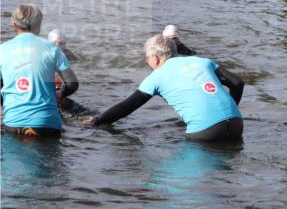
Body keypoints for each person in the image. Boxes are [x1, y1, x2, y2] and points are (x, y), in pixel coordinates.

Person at [90, 34, 244, 142]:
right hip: (237, 124)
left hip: (205, 132)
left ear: (155, 58)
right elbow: (237, 83)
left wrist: (96, 121)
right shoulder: (202, 61)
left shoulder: (157, 77)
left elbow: (127, 107)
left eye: (147, 58)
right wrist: (229, 112)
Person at [0, 4, 79, 136]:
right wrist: (61, 94)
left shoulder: (2, 50)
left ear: (14, 25)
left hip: (13, 124)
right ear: (39, 26)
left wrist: (8, 104)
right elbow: (72, 84)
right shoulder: (53, 49)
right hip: (47, 125)